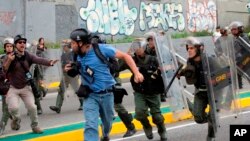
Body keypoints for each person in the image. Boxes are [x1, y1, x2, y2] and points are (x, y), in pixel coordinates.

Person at [65, 28, 144, 141]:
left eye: (73, 43)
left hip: (107, 94)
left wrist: (136, 73)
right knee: (91, 125)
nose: (71, 45)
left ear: (81, 43)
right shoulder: (75, 55)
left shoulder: (101, 49)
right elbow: (73, 70)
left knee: (108, 123)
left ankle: (105, 133)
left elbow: (126, 56)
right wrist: (69, 69)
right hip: (90, 95)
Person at [3, 35, 58, 134]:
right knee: (13, 108)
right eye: (19, 42)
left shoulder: (28, 55)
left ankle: (35, 126)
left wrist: (50, 62)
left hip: (25, 87)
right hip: (12, 88)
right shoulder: (10, 56)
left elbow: (39, 59)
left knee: (32, 107)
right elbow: (4, 70)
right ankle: (16, 119)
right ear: (15, 45)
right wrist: (9, 60)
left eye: (24, 42)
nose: (22, 44)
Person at [119, 38, 167, 141]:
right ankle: (146, 126)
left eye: (139, 46)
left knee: (157, 117)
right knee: (140, 114)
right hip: (140, 92)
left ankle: (162, 130)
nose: (137, 49)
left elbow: (165, 70)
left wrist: (162, 70)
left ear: (144, 47)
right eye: (135, 47)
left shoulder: (153, 59)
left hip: (154, 92)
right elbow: (118, 67)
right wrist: (125, 56)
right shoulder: (132, 60)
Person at [91, 34, 137, 138]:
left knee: (117, 107)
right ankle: (106, 133)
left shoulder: (108, 55)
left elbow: (116, 68)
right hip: (100, 86)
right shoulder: (92, 55)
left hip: (112, 84)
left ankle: (130, 127)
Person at [178, 37, 215, 141]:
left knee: (213, 116)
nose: (189, 50)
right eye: (188, 48)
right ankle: (211, 118)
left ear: (199, 49)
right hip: (200, 92)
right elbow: (187, 71)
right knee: (198, 118)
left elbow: (223, 74)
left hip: (213, 92)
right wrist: (179, 74)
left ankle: (211, 136)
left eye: (192, 48)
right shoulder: (189, 62)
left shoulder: (210, 60)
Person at [49, 42, 82, 113]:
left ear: (68, 47)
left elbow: (77, 64)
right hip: (65, 75)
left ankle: (82, 104)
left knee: (77, 90)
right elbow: (62, 64)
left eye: (64, 46)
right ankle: (58, 107)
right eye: (63, 46)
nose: (63, 48)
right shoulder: (63, 55)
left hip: (73, 74)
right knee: (61, 89)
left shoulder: (73, 54)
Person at [144, 32, 166, 102]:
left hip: (159, 71)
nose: (151, 42)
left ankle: (162, 92)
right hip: (150, 72)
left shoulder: (161, 49)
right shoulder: (145, 50)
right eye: (149, 40)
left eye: (152, 40)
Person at [229, 21, 250, 89]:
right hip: (239, 61)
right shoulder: (236, 38)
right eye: (232, 30)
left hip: (246, 60)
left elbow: (237, 49)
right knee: (236, 77)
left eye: (235, 29)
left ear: (240, 29)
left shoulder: (244, 38)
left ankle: (239, 88)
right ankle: (239, 90)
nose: (233, 31)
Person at [0, 37, 14, 135]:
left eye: (10, 46)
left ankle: (2, 125)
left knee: (6, 107)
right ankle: (13, 117)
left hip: (13, 84)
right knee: (5, 107)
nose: (9, 48)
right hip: (3, 85)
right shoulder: (1, 58)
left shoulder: (17, 57)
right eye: (7, 46)